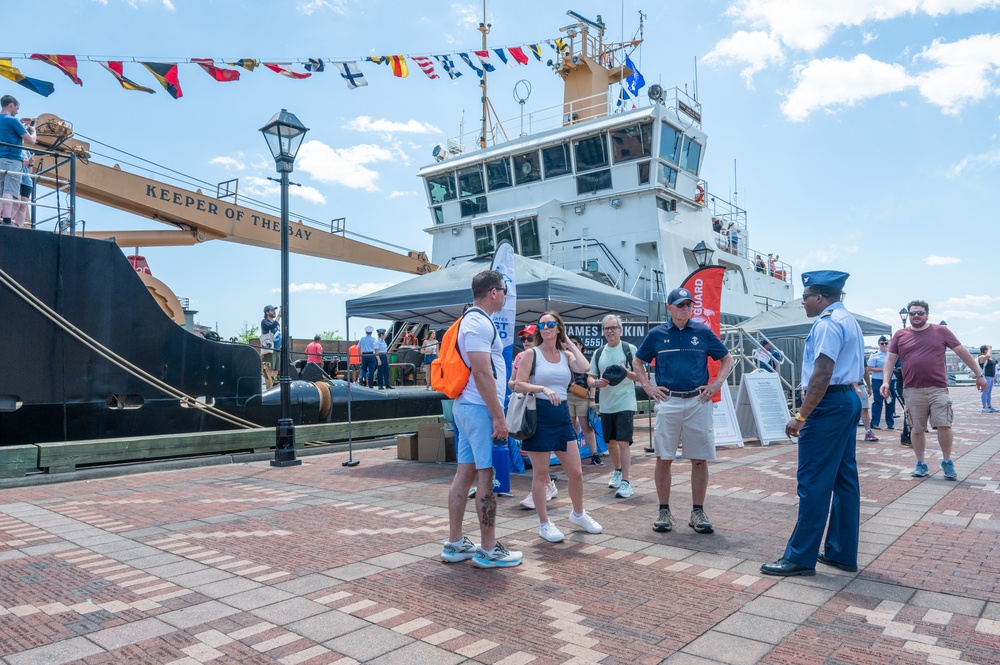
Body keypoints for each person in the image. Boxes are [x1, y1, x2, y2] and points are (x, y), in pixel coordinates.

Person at [761, 270, 865, 577]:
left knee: (813, 482)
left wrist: (801, 416)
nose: (803, 303)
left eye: (805, 298)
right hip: (846, 400)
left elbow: (822, 373)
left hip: (828, 404)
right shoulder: (848, 320)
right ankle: (841, 552)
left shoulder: (828, 324)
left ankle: (799, 557)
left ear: (819, 297)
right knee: (845, 479)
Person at [633, 287, 733, 535]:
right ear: (669, 308)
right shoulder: (656, 334)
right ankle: (664, 511)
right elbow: (637, 360)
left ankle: (697, 511)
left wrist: (717, 383)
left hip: (698, 402)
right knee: (663, 457)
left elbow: (727, 359)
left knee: (699, 458)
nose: (685, 309)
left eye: (689, 305)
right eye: (680, 305)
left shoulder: (702, 331)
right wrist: (647, 385)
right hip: (669, 402)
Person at [442, 270, 522, 568]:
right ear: (492, 292)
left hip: (467, 406)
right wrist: (499, 417)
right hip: (478, 409)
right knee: (486, 477)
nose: (505, 296)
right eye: (504, 291)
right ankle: (488, 549)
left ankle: (455, 543)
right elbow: (482, 371)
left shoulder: (471, 321)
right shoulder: (477, 323)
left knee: (464, 473)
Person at [513, 311, 603, 543]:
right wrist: (542, 388)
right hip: (539, 415)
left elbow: (583, 367)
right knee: (541, 475)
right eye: (541, 325)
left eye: (550, 324)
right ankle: (544, 523)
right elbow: (519, 384)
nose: (545, 328)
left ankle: (578, 514)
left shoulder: (565, 355)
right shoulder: (531, 354)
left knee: (576, 472)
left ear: (559, 328)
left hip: (562, 414)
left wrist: (570, 345)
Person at [881, 301, 988, 480]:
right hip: (912, 389)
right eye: (913, 313)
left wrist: (979, 374)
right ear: (909, 315)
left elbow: (961, 351)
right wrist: (885, 381)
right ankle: (920, 463)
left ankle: (947, 461)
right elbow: (890, 360)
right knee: (916, 429)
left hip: (938, 388)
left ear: (927, 314)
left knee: (944, 425)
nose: (916, 316)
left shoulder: (941, 331)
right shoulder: (900, 335)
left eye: (920, 313)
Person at [590, 314, 639, 499]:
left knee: (623, 442)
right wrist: (596, 383)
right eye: (606, 328)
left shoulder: (629, 349)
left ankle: (626, 482)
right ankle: (617, 471)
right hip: (606, 404)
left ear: (620, 329)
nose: (610, 331)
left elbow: (640, 376)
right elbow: (590, 376)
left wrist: (627, 373)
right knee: (610, 443)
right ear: (603, 332)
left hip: (625, 402)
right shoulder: (599, 352)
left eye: (613, 327)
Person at [510, 325, 558, 510]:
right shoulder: (521, 357)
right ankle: (546, 486)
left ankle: (547, 486)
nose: (525, 342)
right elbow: (511, 383)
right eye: (522, 339)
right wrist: (523, 384)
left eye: (529, 338)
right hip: (528, 407)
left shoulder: (549, 355)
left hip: (549, 407)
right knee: (536, 449)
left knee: (545, 449)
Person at [0, 96, 36, 227]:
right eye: (17, 108)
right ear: (11, 105)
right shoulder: (13, 120)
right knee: (9, 191)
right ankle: (7, 220)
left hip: (0, 159)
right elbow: (31, 141)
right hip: (13, 159)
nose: (17, 111)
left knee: (1, 189)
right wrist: (33, 132)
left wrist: (19, 122)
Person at [568, 336, 601, 466]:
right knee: (570, 426)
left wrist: (592, 399)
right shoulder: (565, 360)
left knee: (586, 426)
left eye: (575, 343)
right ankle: (573, 455)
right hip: (567, 395)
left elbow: (592, 381)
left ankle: (595, 454)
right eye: (570, 344)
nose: (572, 346)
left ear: (581, 345)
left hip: (582, 395)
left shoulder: (586, 361)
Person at [867, 335, 896, 430]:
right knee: (878, 401)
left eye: (886, 343)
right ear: (879, 344)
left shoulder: (891, 354)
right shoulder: (874, 355)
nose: (884, 345)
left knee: (890, 401)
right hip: (878, 380)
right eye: (882, 343)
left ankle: (890, 422)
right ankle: (875, 422)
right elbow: (870, 367)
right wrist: (883, 370)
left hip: (891, 379)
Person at [13, 138, 33, 228]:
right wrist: (23, 164)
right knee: (15, 203)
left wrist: (31, 164)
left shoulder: (26, 151)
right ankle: (7, 222)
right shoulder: (12, 148)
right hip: (16, 178)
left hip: (26, 180)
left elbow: (30, 172)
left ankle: (19, 227)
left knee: (23, 206)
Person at [260, 305, 280, 389]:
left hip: (277, 349)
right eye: (272, 310)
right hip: (269, 349)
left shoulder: (275, 323)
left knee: (275, 370)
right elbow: (271, 326)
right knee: (269, 371)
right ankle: (269, 390)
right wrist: (279, 315)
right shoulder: (264, 321)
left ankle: (272, 389)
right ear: (267, 312)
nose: (274, 312)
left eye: (274, 310)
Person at [978, 345, 996, 413]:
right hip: (986, 376)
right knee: (985, 391)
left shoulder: (989, 358)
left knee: (989, 392)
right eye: (987, 349)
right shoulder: (982, 357)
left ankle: (989, 406)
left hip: (991, 376)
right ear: (985, 350)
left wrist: (994, 376)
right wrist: (990, 348)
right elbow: (988, 356)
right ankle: (984, 407)